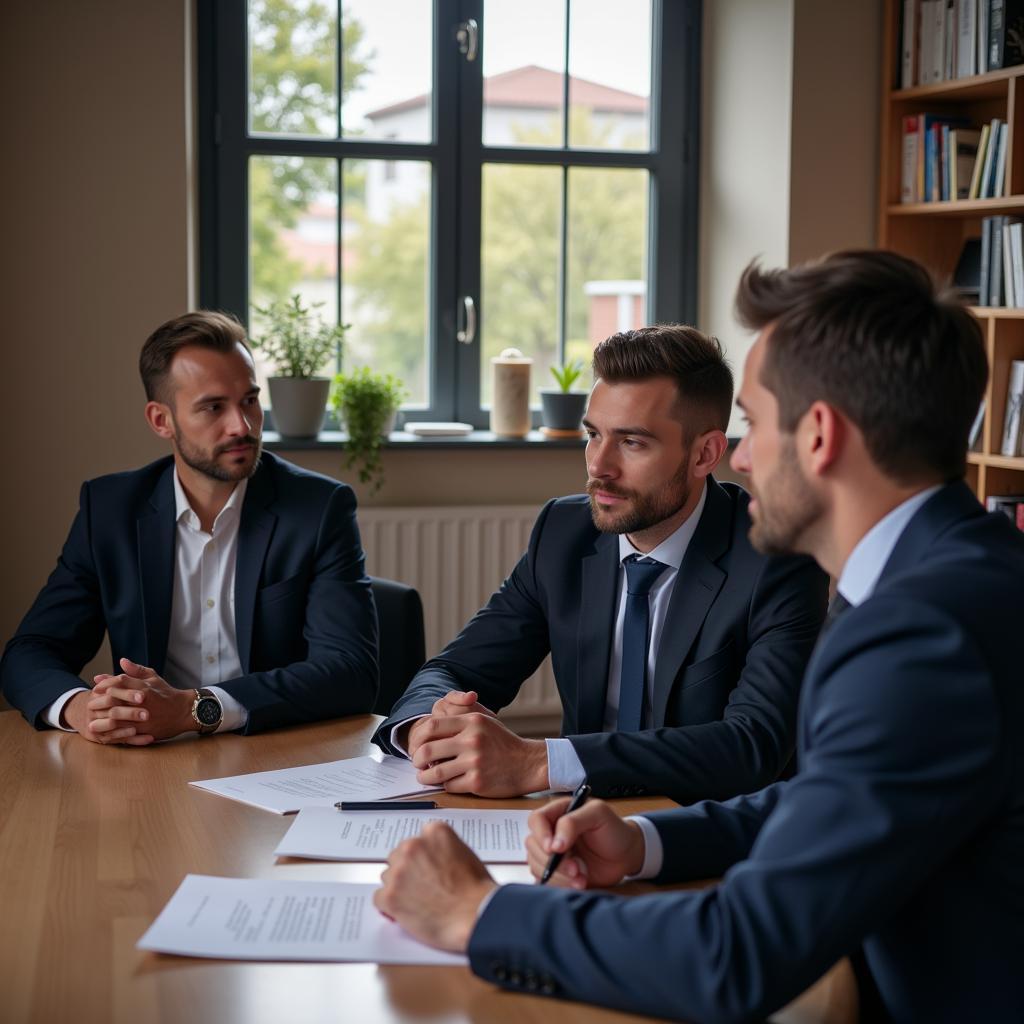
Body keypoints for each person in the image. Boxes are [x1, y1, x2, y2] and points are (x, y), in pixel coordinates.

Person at [374, 250, 1024, 1022]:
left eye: (752, 424)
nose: (743, 457)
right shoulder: (939, 577)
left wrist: (478, 913)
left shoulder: (920, 632)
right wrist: (646, 841)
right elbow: (824, 801)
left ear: (818, 436)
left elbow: (737, 953)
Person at [375, 325, 828, 800]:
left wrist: (539, 762)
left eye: (632, 442)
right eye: (594, 435)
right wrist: (425, 726)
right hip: (577, 825)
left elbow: (753, 746)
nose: (599, 466)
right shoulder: (563, 533)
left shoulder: (777, 558)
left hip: (710, 834)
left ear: (705, 454)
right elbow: (454, 671)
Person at [1, 311, 377, 743]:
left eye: (250, 400)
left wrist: (195, 708)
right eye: (213, 407)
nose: (243, 425)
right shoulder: (109, 510)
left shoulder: (318, 507)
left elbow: (351, 671)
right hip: (151, 756)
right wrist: (81, 706)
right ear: (162, 420)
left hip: (273, 751)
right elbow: (28, 653)